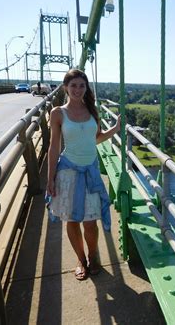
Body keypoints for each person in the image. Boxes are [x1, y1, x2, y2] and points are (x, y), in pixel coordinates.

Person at [46, 69, 121, 281]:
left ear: (86, 88)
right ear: (65, 88)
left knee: (90, 221)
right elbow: (54, 147)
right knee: (71, 221)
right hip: (68, 174)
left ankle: (93, 255)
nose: (78, 90)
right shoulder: (58, 113)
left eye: (82, 86)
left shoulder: (92, 110)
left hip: (90, 173)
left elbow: (93, 140)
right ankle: (81, 260)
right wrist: (50, 178)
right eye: (73, 86)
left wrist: (114, 130)